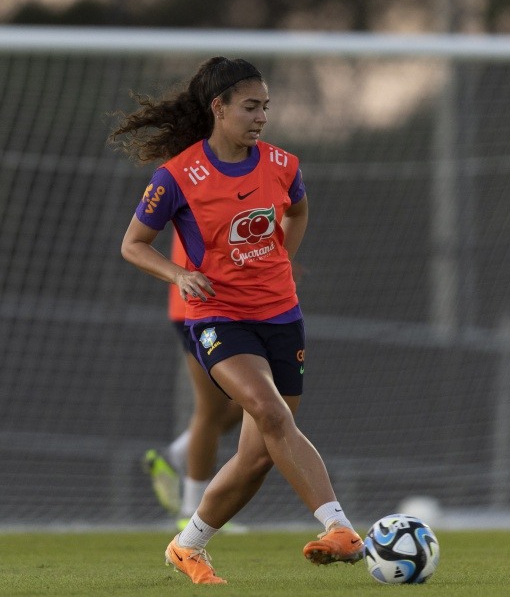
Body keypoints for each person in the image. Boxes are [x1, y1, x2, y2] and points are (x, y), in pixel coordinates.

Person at [111, 56, 364, 584]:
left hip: (283, 315)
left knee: (258, 456)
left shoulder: (283, 164)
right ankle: (339, 527)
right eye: (251, 106)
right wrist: (179, 275)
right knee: (270, 412)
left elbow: (297, 210)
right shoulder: (177, 176)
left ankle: (187, 546)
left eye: (266, 107)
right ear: (218, 108)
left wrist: (281, 258)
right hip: (218, 318)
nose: (261, 117)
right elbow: (133, 246)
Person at [141, 231, 244, 531]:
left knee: (251, 401)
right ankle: (193, 512)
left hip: (234, 304)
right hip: (199, 304)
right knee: (212, 409)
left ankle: (175, 455)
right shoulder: (194, 184)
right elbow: (134, 243)